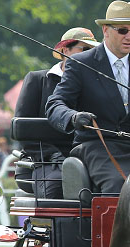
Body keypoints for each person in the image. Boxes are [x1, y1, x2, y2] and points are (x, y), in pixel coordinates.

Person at [46, 1, 130, 194]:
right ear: (106, 30)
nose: (129, 36)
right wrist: (73, 117)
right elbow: (55, 105)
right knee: (121, 186)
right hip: (96, 147)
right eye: (122, 30)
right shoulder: (80, 63)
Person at [15, 26, 99, 198]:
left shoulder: (97, 85)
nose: (89, 55)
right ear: (64, 50)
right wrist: (52, 155)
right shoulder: (38, 80)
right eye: (84, 49)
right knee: (57, 186)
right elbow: (23, 130)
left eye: (93, 51)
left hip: (89, 157)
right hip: (45, 161)